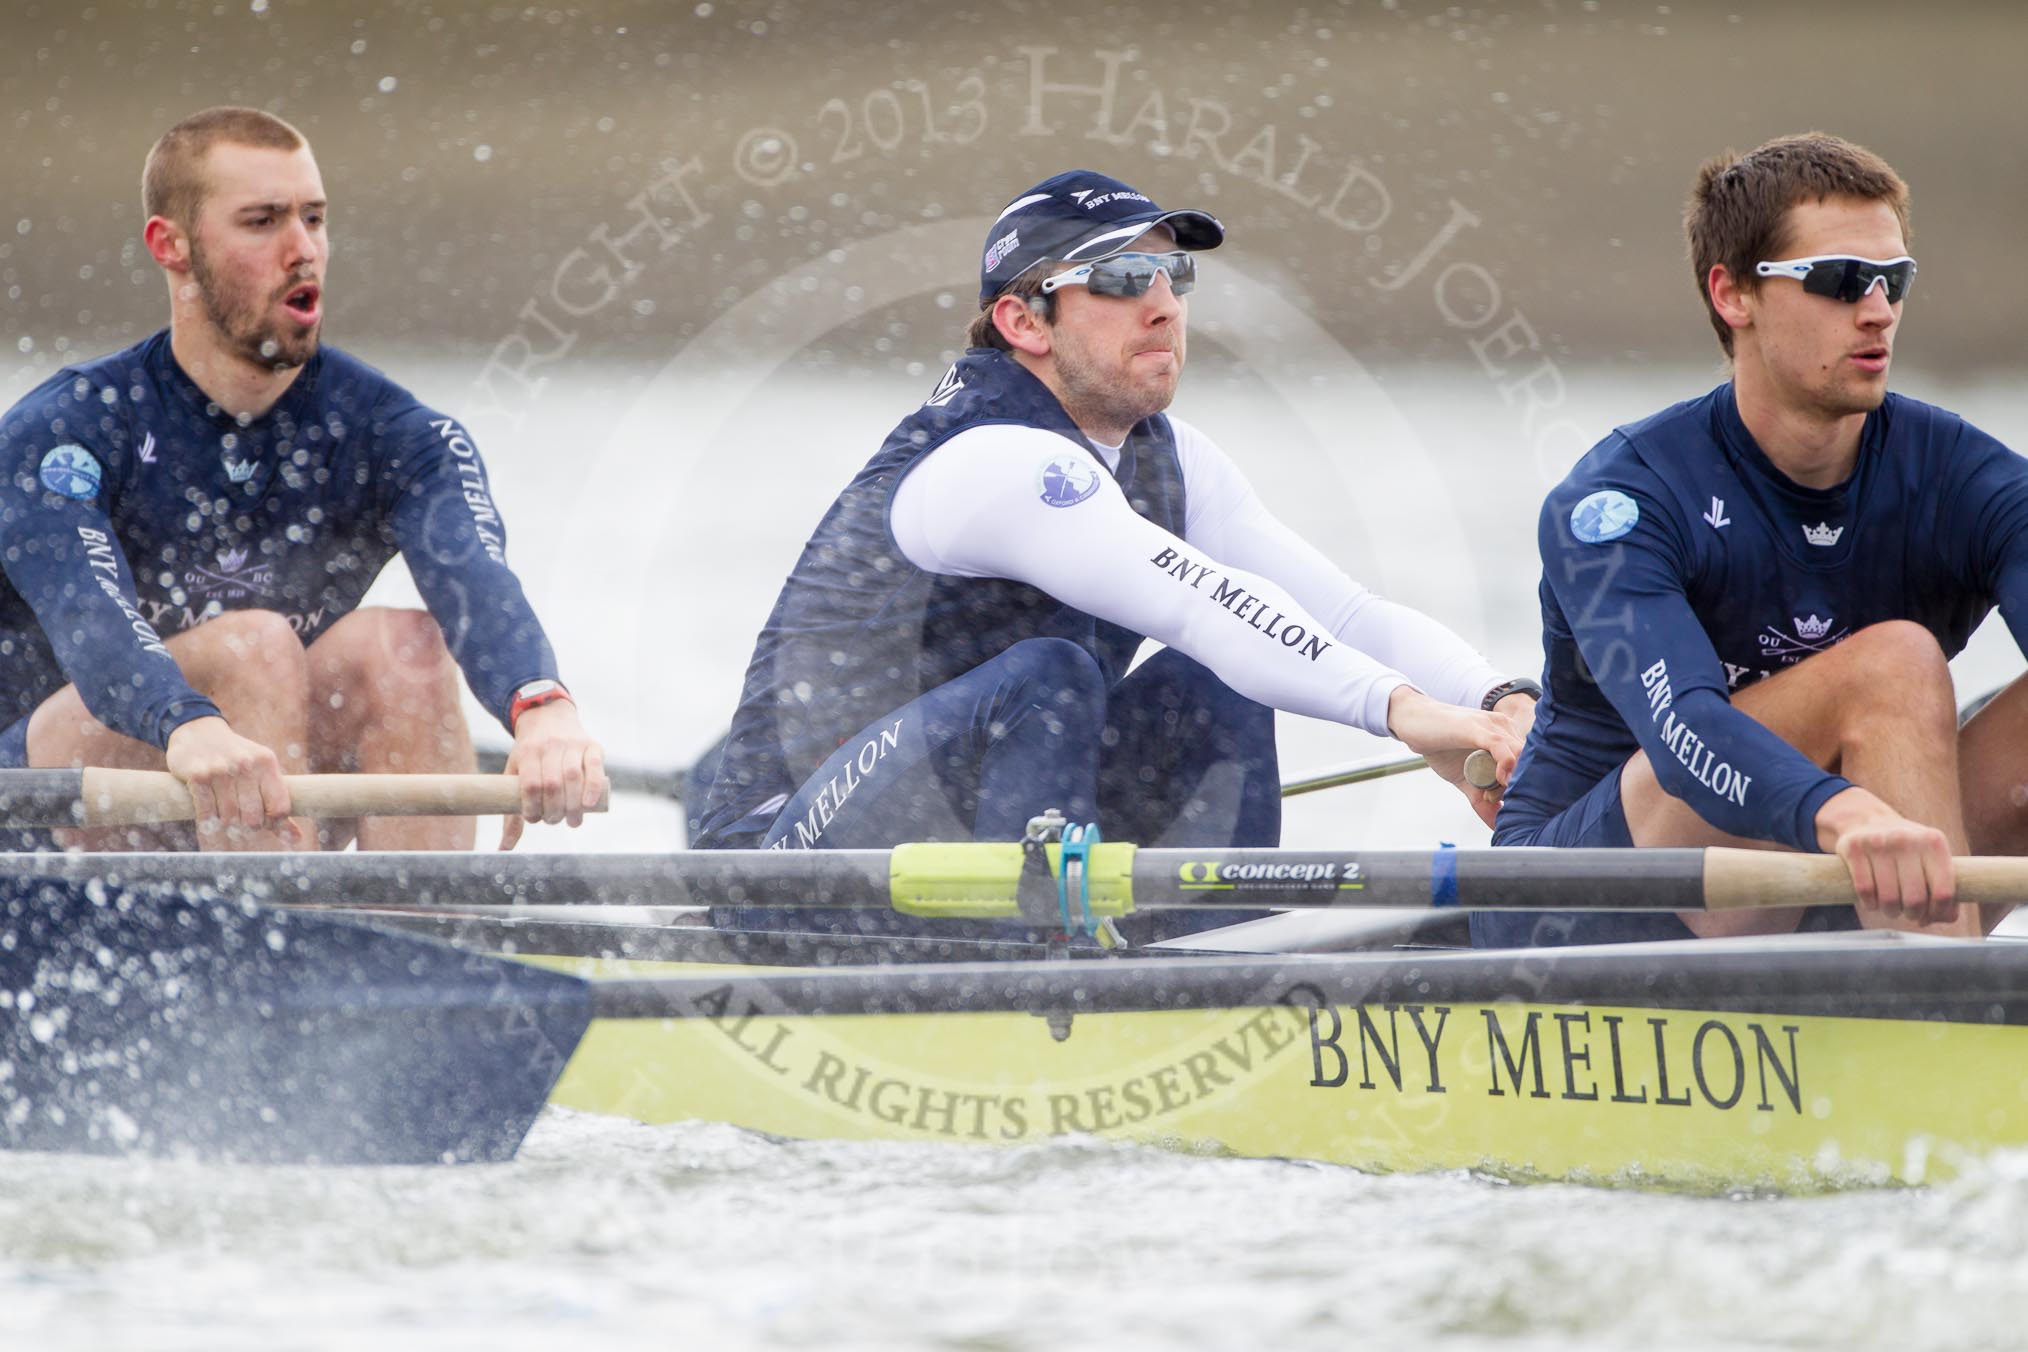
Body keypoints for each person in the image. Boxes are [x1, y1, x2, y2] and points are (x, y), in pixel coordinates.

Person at [693, 168, 1535, 934]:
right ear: (1023, 321)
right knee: (1050, 674)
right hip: (788, 866)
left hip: (963, 833)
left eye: (1176, 276)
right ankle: (1037, 987)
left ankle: (1202, 971)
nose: (1164, 305)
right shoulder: (986, 459)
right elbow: (1199, 605)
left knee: (1219, 685)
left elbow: (1344, 616)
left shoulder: (1170, 458)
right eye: (1123, 279)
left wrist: (1498, 701)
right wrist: (1413, 717)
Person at [0, 106, 604, 851]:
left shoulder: (393, 434)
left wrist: (541, 707)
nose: (303, 250)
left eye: (314, 219)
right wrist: (184, 721)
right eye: (262, 222)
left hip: (251, 776)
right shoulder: (65, 433)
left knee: (404, 649)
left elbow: (475, 576)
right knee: (251, 646)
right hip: (45, 811)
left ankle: (413, 948)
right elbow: (87, 617)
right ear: (173, 247)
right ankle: (275, 937)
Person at [1481, 131, 2028, 948]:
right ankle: (1941, 1022)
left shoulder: (1964, 477)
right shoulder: (1622, 501)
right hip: (1583, 901)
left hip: (1840, 866)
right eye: (1841, 281)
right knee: (1895, 665)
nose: (1877, 309)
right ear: (1733, 295)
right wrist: (1844, 813)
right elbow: (1685, 735)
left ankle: (1913, 978)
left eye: (1894, 280)